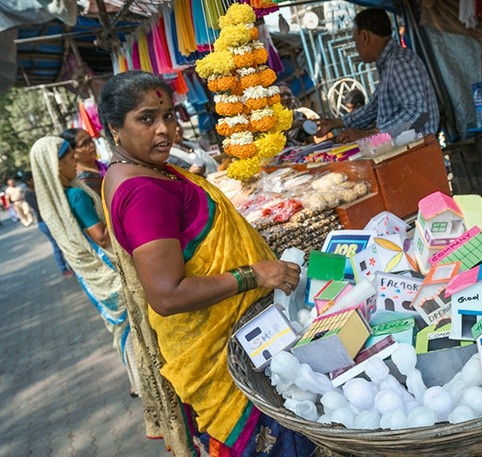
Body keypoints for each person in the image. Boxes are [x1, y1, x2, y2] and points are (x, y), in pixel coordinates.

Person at [98, 71, 314, 456]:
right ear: (115, 128)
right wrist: (255, 273)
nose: (164, 130)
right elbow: (166, 295)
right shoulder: (144, 190)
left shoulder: (134, 171)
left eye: (169, 116)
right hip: (221, 358)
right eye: (146, 119)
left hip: (229, 341)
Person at [29, 136, 141, 396]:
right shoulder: (77, 194)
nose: (74, 165)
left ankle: (137, 381)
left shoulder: (55, 203)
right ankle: (147, 382)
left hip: (91, 277)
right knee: (135, 330)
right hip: (109, 269)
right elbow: (100, 236)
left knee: (121, 330)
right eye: (69, 159)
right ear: (57, 166)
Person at [316, 8, 440, 143]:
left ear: (364, 36)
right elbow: (373, 108)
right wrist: (336, 122)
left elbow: (418, 112)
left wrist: (373, 135)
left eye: (355, 40)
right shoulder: (388, 64)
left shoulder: (399, 62)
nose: (356, 47)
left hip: (418, 151)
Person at [23, 171, 73, 277]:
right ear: (28, 181)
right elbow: (39, 208)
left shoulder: (38, 189)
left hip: (51, 220)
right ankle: (63, 268)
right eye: (32, 179)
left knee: (63, 243)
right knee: (57, 245)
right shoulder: (28, 194)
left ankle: (71, 265)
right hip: (44, 223)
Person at [60, 128, 108, 196]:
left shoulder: (103, 165)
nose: (91, 145)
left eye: (90, 140)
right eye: (85, 144)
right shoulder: (83, 180)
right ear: (72, 151)